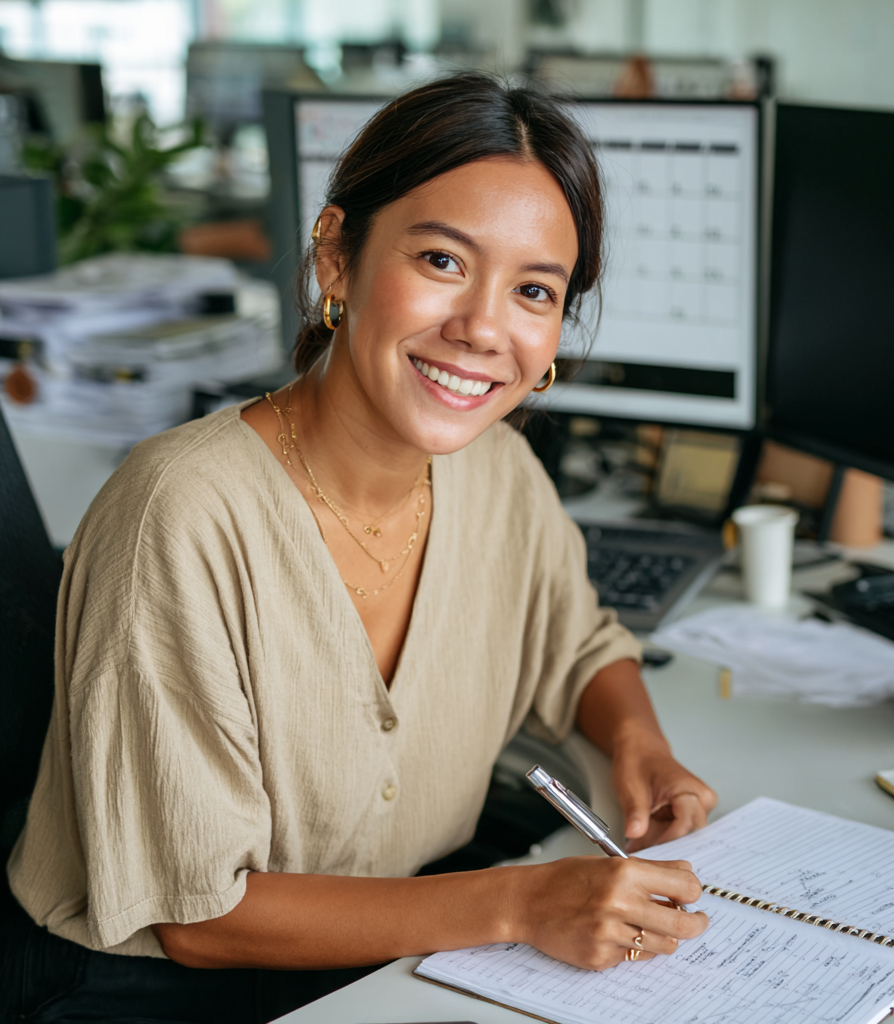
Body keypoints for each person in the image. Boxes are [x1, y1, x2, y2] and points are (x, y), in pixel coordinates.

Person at [2, 73, 716, 1023]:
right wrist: (522, 903)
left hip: (387, 952)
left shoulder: (496, 471)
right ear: (336, 256)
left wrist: (638, 744)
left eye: (534, 290)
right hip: (153, 989)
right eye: (443, 261)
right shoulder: (179, 513)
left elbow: (578, 643)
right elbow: (200, 917)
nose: (481, 331)